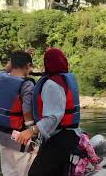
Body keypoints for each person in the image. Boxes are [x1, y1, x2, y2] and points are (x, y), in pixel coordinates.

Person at [16, 48, 81, 176]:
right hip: (71, 135)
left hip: (61, 138)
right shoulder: (67, 79)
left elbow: (53, 117)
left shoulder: (52, 84)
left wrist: (30, 131)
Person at [0, 51, 36, 176]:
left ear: (11, 63)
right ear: (28, 66)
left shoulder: (1, 76)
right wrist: (31, 130)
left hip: (1, 134)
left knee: (8, 171)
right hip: (20, 137)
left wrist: (14, 60)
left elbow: (5, 69)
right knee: (24, 171)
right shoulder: (27, 84)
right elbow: (26, 110)